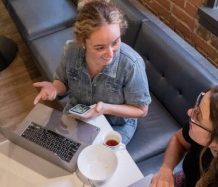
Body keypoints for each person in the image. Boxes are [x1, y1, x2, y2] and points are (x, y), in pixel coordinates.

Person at [32, 0, 151, 145]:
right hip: (78, 113)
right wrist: (54, 88)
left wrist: (103, 108)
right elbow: (63, 83)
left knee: (93, 160)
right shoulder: (71, 51)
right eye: (100, 48)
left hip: (116, 125)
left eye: (115, 42)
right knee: (57, 149)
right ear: (83, 42)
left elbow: (141, 110)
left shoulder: (131, 64)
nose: (110, 53)